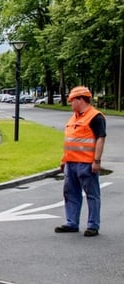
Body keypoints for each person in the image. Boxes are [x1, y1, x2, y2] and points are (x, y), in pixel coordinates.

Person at [55, 86, 106, 237]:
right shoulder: (74, 117)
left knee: (92, 194)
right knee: (70, 194)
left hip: (86, 163)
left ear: (80, 99)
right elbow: (70, 140)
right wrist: (64, 160)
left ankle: (93, 225)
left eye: (72, 100)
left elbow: (100, 139)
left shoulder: (95, 117)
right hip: (71, 163)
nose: (70, 103)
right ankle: (72, 222)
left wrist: (96, 161)